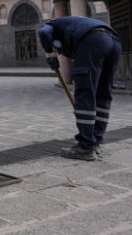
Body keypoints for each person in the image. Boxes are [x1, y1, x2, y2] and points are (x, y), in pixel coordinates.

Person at [38, 16, 121, 161]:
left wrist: (49, 52)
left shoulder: (52, 24)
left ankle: (85, 147)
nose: (60, 52)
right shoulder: (73, 24)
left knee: (85, 93)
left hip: (92, 41)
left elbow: (44, 33)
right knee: (103, 94)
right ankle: (96, 141)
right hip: (114, 41)